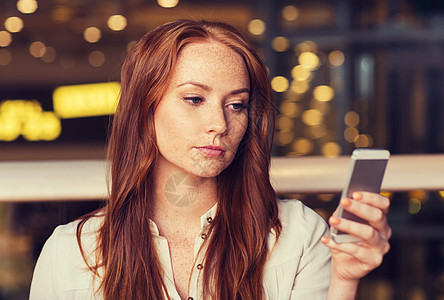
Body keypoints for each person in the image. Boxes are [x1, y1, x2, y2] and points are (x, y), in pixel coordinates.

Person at [29, 19, 391, 300]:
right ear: (144, 108)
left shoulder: (299, 235)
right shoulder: (71, 252)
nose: (219, 124)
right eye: (194, 99)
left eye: (237, 105)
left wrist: (344, 280)